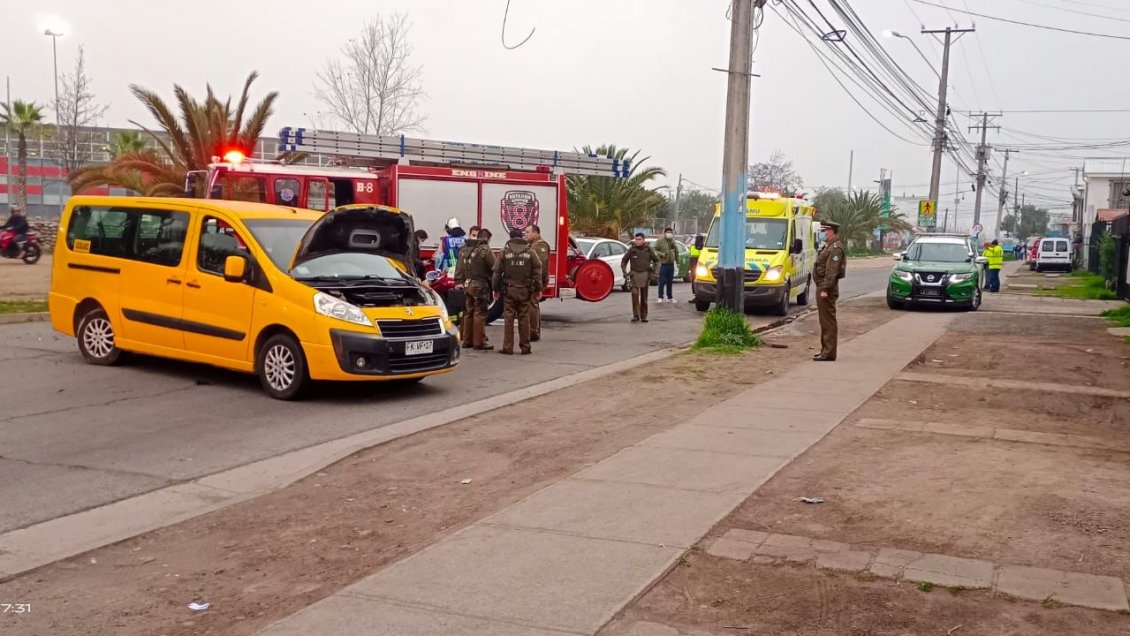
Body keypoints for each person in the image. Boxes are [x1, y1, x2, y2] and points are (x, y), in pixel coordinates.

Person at [492, 229, 543, 355]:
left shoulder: (504, 252)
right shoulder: (530, 252)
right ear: (522, 237)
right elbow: (537, 271)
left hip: (509, 289)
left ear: (510, 237)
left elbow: (497, 273)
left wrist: (496, 289)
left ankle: (508, 347)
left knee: (509, 319)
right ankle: (525, 347)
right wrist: (538, 289)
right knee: (524, 318)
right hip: (525, 290)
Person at [813, 221, 846, 362]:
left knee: (828, 321)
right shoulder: (829, 246)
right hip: (822, 285)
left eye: (826, 231)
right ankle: (825, 349)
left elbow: (832, 271)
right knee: (824, 320)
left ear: (832, 231)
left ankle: (829, 352)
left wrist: (825, 288)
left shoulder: (835, 248)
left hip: (827, 288)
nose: (824, 233)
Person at [460, 228, 496, 350]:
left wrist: (459, 280)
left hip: (467, 283)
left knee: (468, 312)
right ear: (487, 238)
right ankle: (479, 342)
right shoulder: (485, 250)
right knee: (480, 313)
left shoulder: (466, 248)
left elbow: (460, 266)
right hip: (480, 285)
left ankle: (467, 340)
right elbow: (494, 267)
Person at [621, 232, 659, 323]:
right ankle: (636, 315)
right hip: (634, 274)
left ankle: (644, 315)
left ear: (643, 240)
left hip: (645, 274)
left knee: (644, 296)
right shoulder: (632, 250)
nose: (637, 241)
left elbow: (657, 261)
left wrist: (655, 273)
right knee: (634, 294)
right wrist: (624, 272)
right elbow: (624, 261)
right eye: (636, 239)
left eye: (639, 239)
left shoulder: (649, 249)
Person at [524, 224, 550, 342]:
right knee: (533, 305)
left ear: (536, 233)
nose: (525, 234)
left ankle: (533, 331)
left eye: (528, 232)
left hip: (535, 280)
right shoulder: (533, 245)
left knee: (532, 305)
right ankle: (534, 330)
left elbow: (541, 265)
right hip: (533, 280)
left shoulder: (540, 246)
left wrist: (538, 282)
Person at [654, 227, 678, 303]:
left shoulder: (673, 241)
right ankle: (660, 297)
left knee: (670, 281)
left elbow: (676, 252)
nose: (669, 234)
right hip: (663, 265)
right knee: (662, 281)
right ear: (664, 233)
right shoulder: (660, 241)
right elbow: (654, 250)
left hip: (671, 264)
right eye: (668, 232)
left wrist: (678, 262)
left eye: (671, 232)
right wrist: (661, 254)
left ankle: (670, 297)